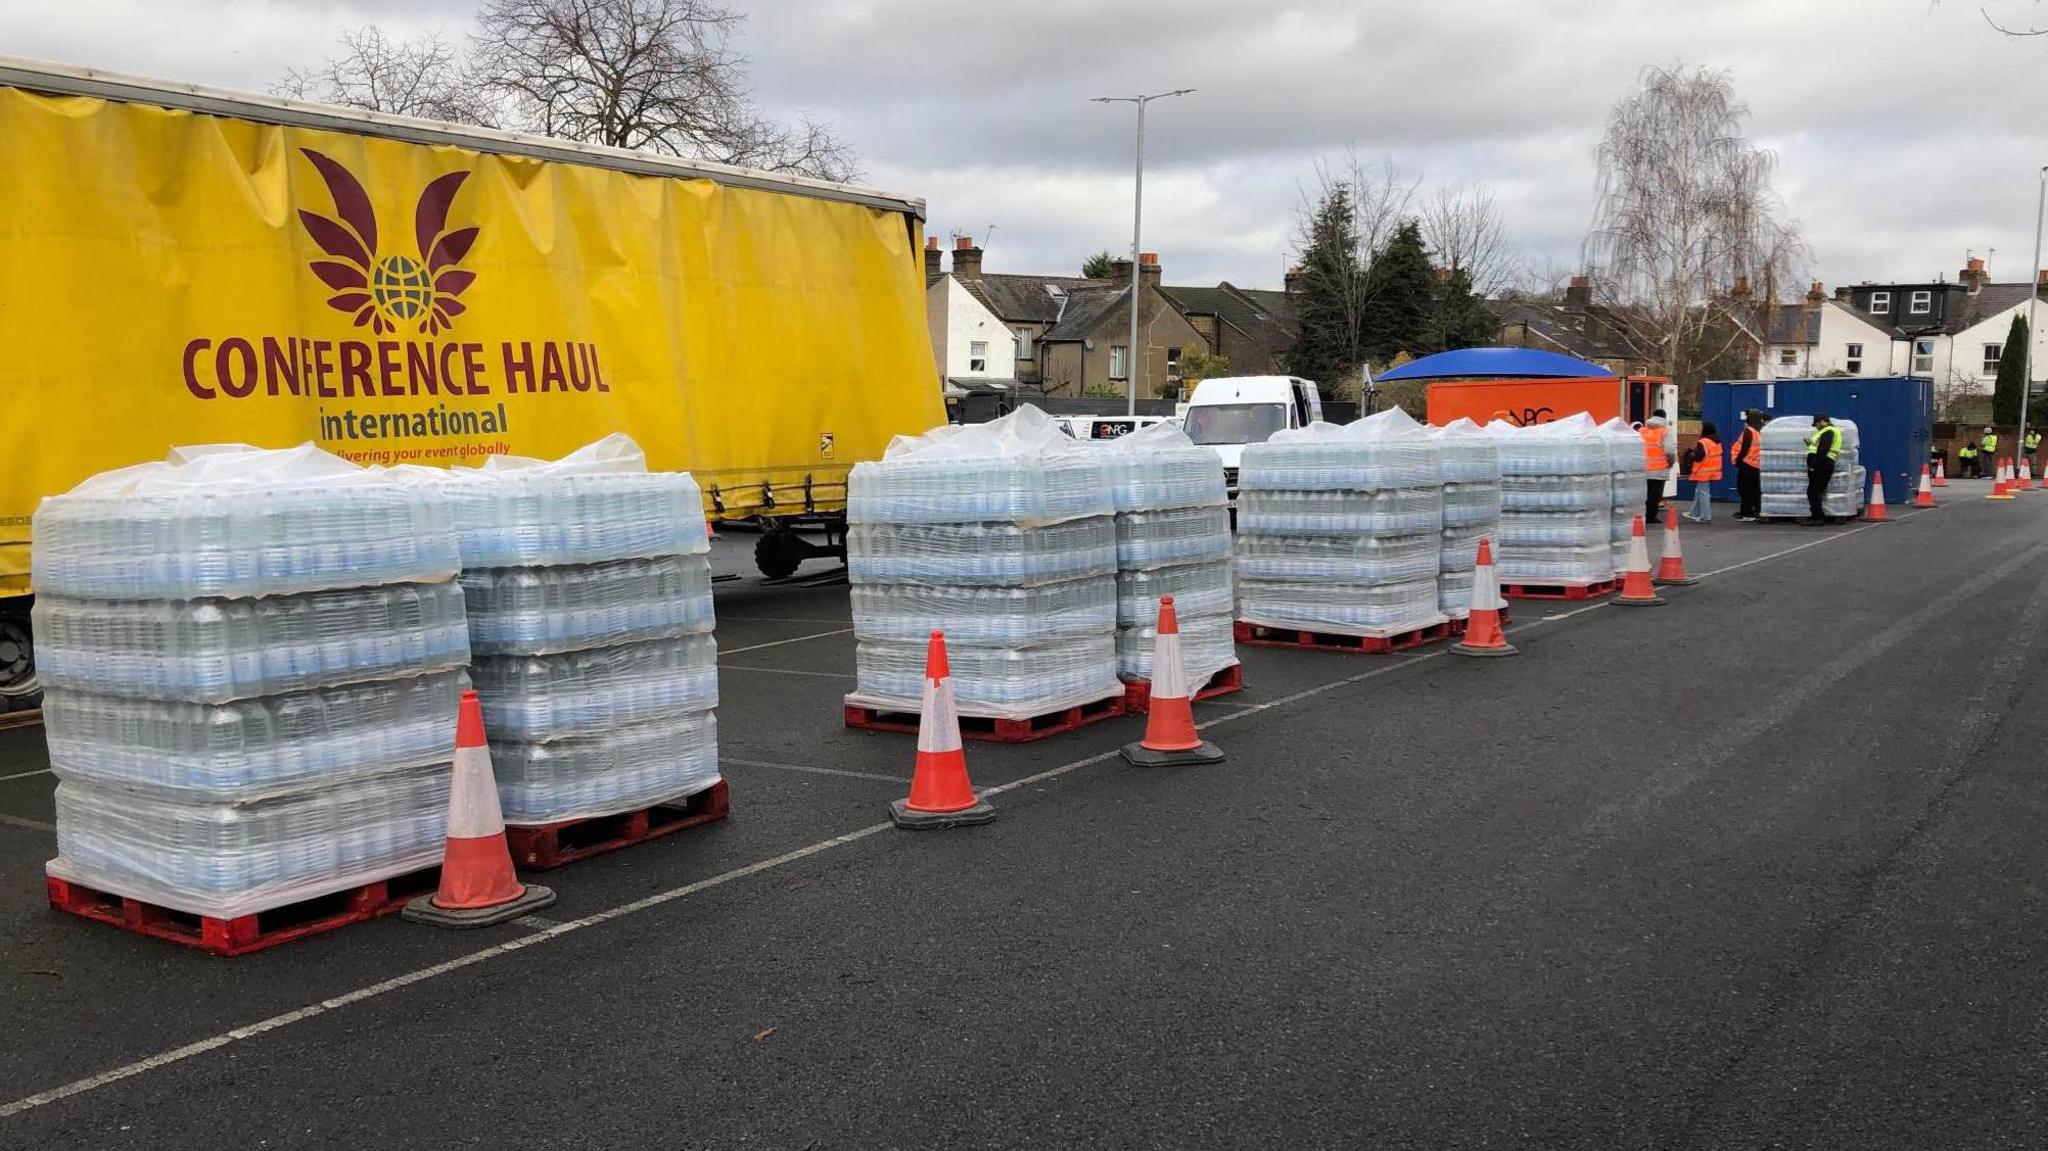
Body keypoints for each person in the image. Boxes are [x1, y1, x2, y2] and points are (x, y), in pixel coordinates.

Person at [1805, 412, 1842, 525]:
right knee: (1814, 491)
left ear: (1822, 421)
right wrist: (1810, 443)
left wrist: (1813, 465)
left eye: (1816, 424)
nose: (1816, 427)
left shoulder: (1829, 431)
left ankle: (1818, 518)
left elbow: (1823, 450)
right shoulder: (1824, 432)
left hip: (1822, 464)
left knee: (1814, 491)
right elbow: (1818, 446)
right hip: (1823, 463)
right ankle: (1816, 516)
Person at [1640, 409, 1675, 525]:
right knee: (1655, 496)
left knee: (1644, 494)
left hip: (1643, 468)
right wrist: (1671, 463)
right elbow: (1669, 451)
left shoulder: (1642, 431)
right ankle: (1651, 517)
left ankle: (1642, 515)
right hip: (1659, 469)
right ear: (1664, 418)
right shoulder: (1665, 432)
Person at [1683, 421, 1722, 523]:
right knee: (1699, 492)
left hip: (1703, 471)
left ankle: (1705, 516)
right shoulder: (1716, 441)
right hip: (1712, 471)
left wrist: (1691, 454)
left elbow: (1699, 457)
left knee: (1703, 493)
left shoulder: (1703, 442)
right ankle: (1694, 513)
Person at [1732, 409, 1765, 520]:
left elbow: (1744, 448)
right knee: (1754, 489)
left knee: (1744, 489)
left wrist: (1738, 461)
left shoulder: (1749, 431)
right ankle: (1755, 510)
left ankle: (1747, 512)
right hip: (1755, 464)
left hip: (1746, 464)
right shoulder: (1759, 431)